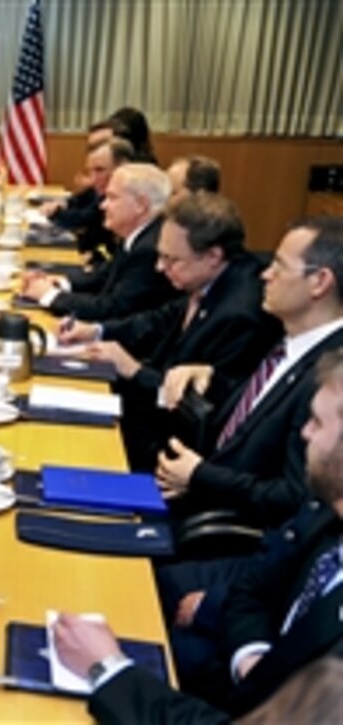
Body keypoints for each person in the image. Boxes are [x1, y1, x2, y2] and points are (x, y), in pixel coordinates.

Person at [53, 348, 343, 721]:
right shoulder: (325, 514)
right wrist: (251, 657)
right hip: (243, 673)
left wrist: (107, 669)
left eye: (317, 423)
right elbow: (254, 589)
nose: (304, 432)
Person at [59, 192, 281, 471]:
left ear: (213, 256)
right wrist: (96, 330)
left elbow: (202, 409)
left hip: (169, 455)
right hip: (148, 422)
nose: (159, 267)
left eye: (171, 259)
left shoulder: (240, 315)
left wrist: (134, 369)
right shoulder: (210, 279)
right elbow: (159, 319)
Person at [157, 217, 343, 528]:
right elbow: (258, 415)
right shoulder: (289, 340)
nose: (265, 274)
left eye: (279, 267)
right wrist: (212, 378)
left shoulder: (330, 376)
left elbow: (295, 498)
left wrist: (202, 476)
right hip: (192, 496)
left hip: (229, 535)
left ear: (319, 282)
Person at [21, 163, 180, 321]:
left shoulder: (150, 249)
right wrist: (60, 283)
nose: (103, 205)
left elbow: (113, 308)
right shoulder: (138, 233)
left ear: (141, 205)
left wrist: (50, 296)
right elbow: (105, 276)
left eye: (112, 198)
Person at [44, 139, 135, 264]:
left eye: (99, 170)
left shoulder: (129, 199)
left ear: (123, 168)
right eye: (90, 171)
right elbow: (77, 201)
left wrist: (55, 213)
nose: (93, 178)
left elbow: (86, 218)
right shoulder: (100, 189)